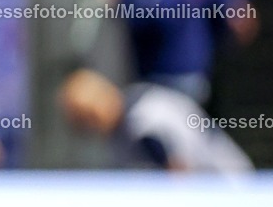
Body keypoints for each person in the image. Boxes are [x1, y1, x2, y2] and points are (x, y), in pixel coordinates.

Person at [60, 69, 253, 173]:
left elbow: (178, 175)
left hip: (226, 192)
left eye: (85, 120)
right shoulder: (133, 105)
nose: (88, 129)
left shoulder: (142, 123)